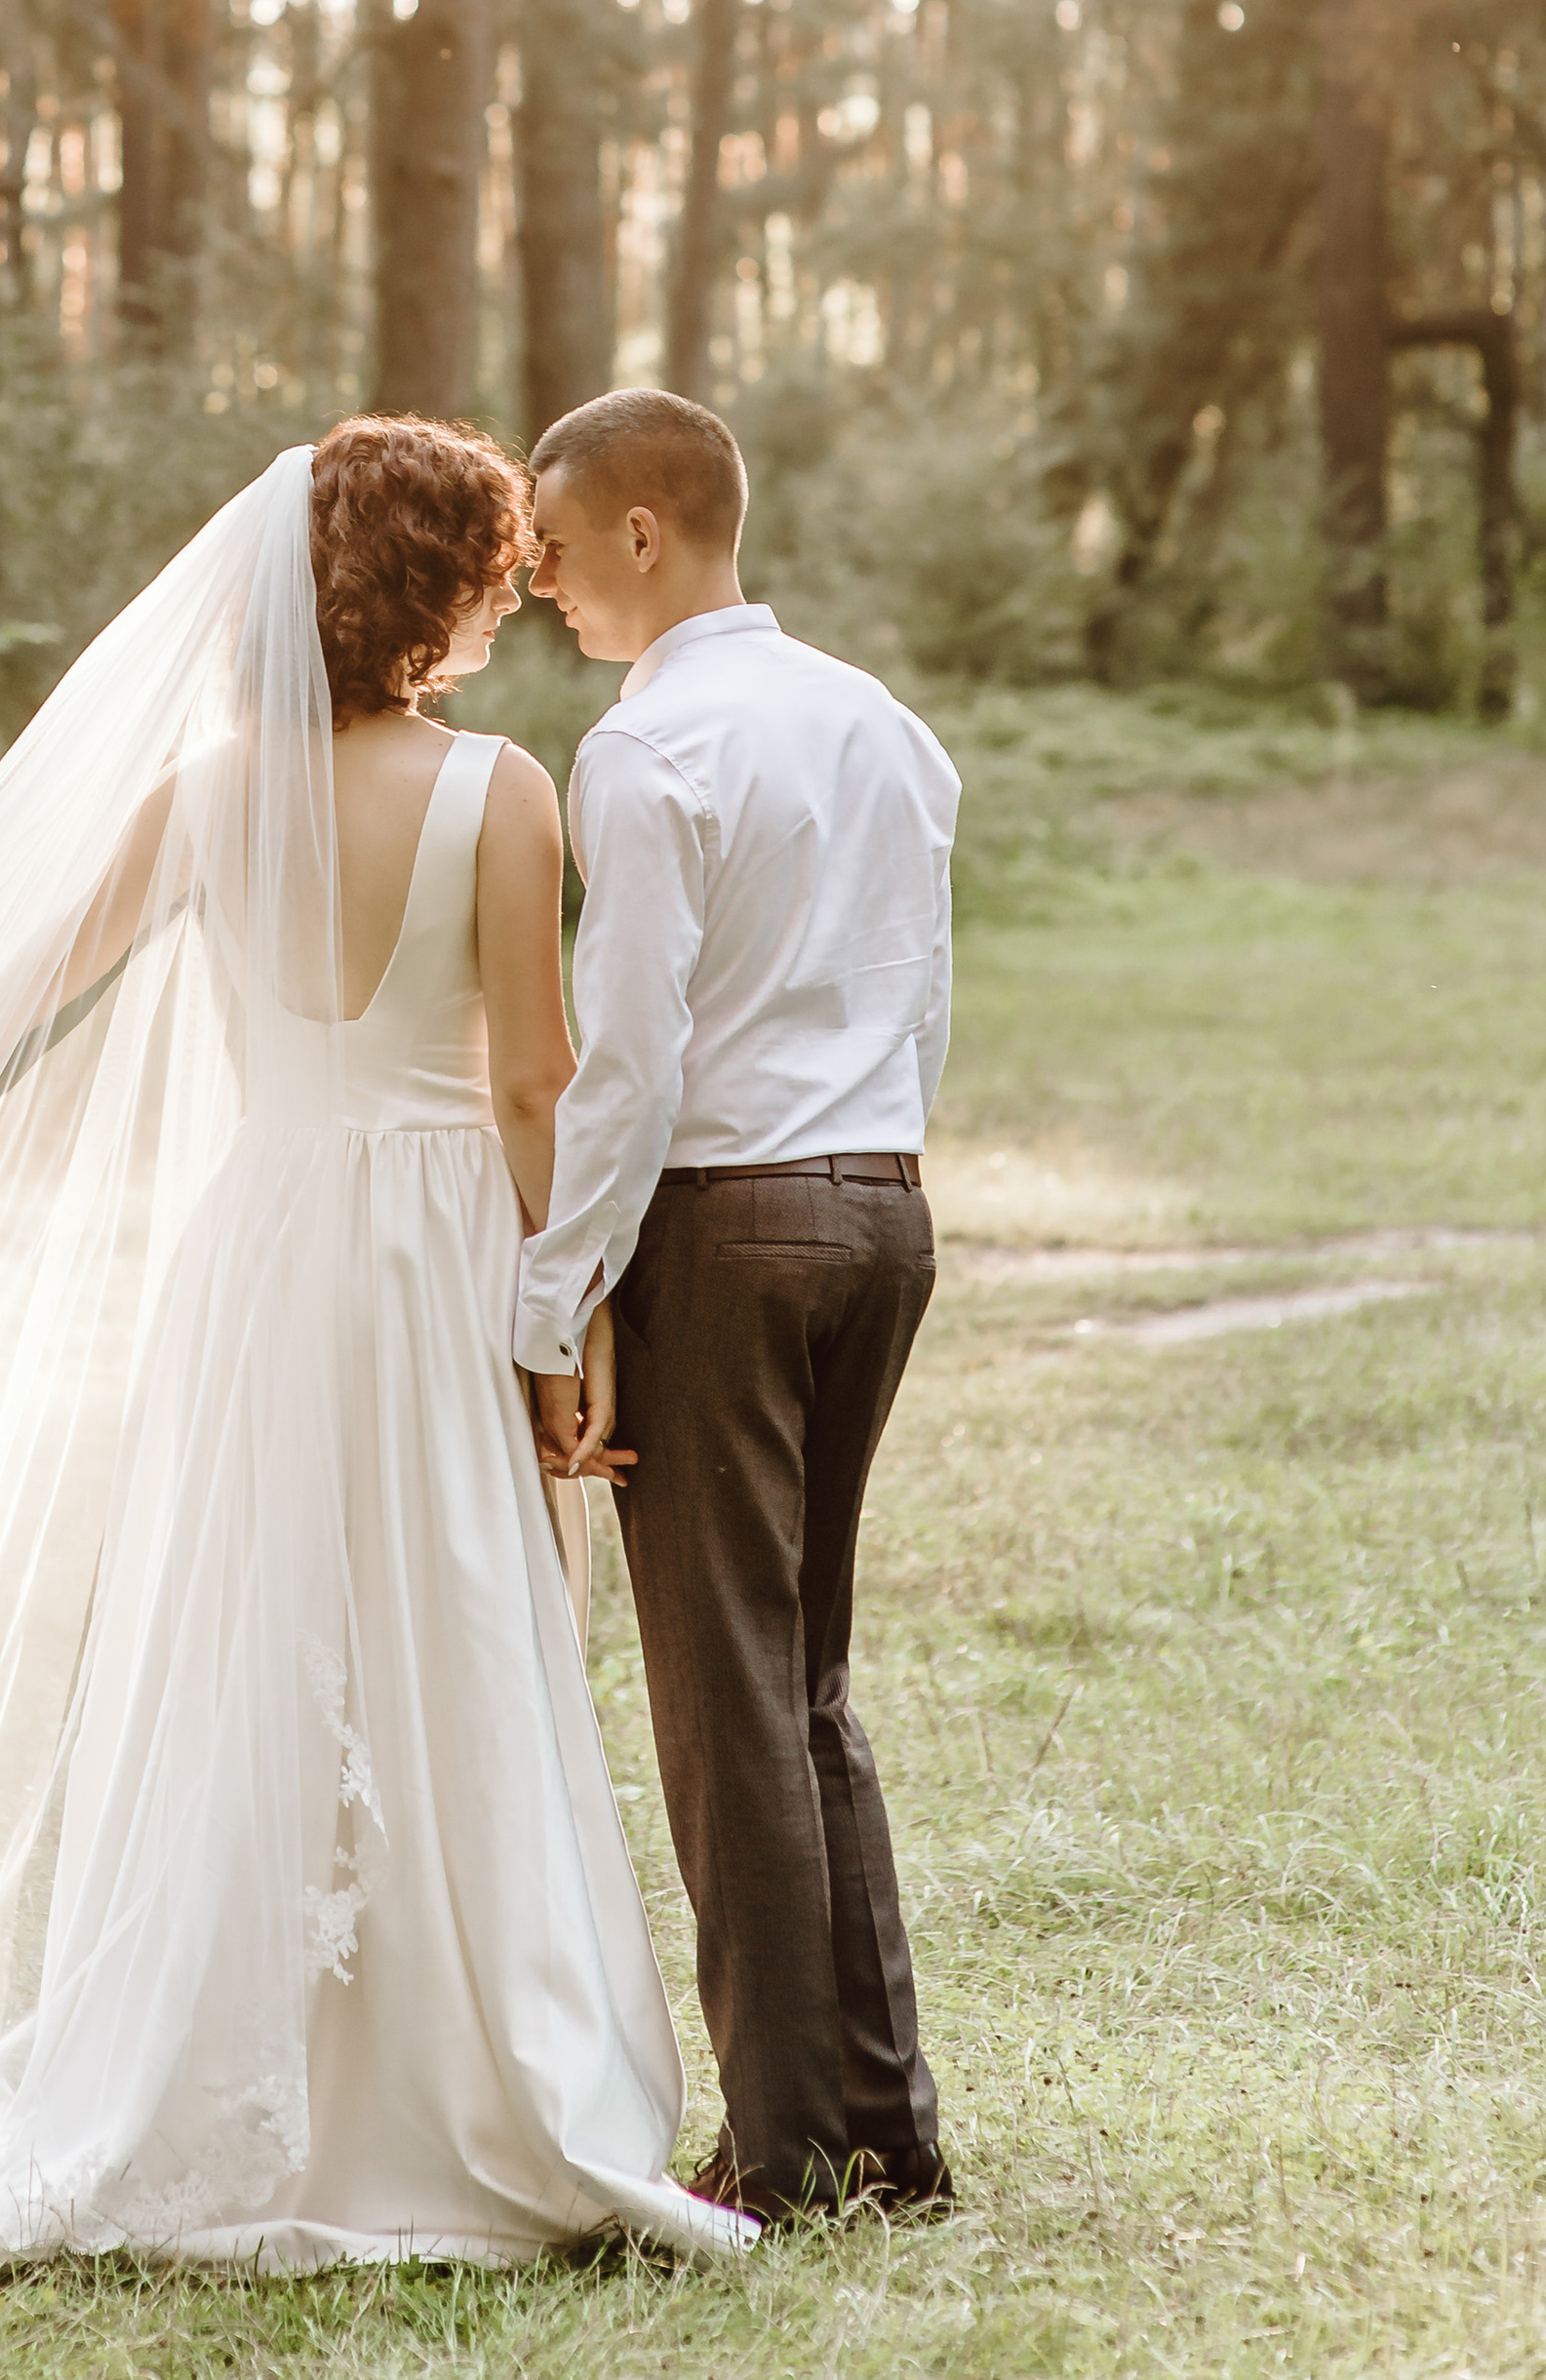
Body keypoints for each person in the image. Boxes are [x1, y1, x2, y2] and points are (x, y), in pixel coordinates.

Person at [0, 416, 754, 2296]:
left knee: (247, 1623)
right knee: (451, 1609)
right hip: (437, 1249)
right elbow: (533, 1083)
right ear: (433, 589)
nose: (513, 593)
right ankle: (471, 2080)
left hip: (264, 1246)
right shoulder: (504, 793)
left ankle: (207, 2060)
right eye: (493, 568)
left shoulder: (208, 794)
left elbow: (37, 978)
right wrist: (571, 1316)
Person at [517, 385, 960, 2230]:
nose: (537, 582)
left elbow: (627, 1060)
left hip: (727, 1228)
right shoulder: (883, 721)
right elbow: (921, 991)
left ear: (644, 531)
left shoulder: (644, 750)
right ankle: (885, 2137)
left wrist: (554, 1298)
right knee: (810, 1681)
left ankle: (781, 2155)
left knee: (727, 1703)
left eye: (553, 547)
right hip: (882, 1210)